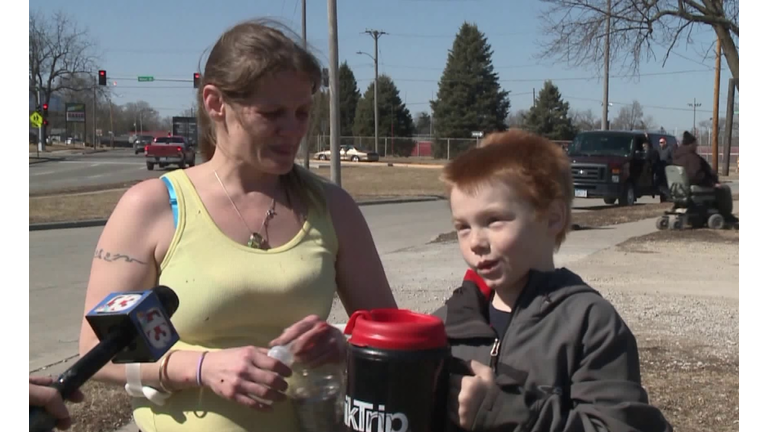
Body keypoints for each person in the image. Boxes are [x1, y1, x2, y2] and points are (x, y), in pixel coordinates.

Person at [78, 19, 396, 432]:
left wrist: (346, 348)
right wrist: (201, 367)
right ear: (215, 103)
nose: (293, 130)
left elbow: (391, 337)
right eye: (272, 114)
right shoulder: (155, 206)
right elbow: (95, 351)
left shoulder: (332, 207)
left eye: (302, 112)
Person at [432, 129, 672, 431]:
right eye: (463, 227)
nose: (475, 242)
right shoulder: (450, 322)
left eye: (493, 220)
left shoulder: (589, 325)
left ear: (553, 217)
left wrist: (505, 413)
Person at [673, 131, 737, 223]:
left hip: (680, 188)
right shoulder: (691, 158)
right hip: (696, 185)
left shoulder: (677, 156)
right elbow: (696, 175)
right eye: (695, 144)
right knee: (724, 189)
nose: (697, 146)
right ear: (690, 144)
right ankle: (725, 214)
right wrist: (712, 183)